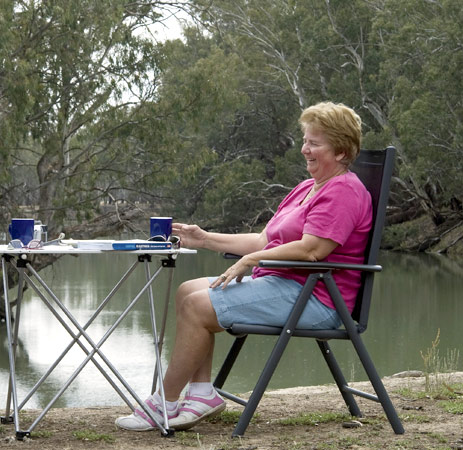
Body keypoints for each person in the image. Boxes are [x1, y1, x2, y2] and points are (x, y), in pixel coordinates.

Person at [116, 101, 372, 432]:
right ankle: (200, 394)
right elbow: (265, 239)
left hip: (317, 299)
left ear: (340, 151)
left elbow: (312, 250)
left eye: (314, 143)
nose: (304, 149)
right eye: (305, 140)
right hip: (286, 286)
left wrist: (251, 261)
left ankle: (162, 402)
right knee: (187, 291)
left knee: (198, 305)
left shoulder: (345, 191)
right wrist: (205, 238)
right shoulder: (306, 188)